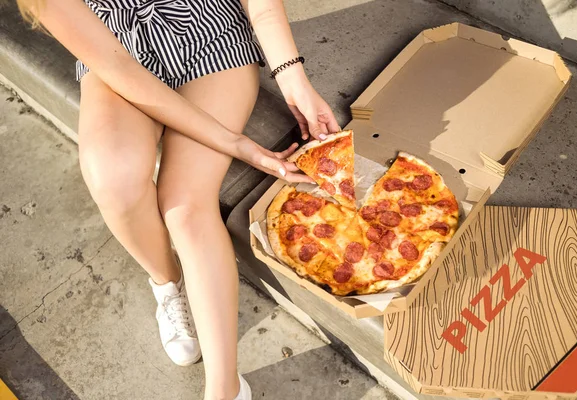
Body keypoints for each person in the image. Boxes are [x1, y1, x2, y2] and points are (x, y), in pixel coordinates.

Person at [16, 0, 340, 398]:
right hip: (113, 51)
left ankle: (225, 389)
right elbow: (119, 68)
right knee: (112, 177)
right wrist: (238, 145)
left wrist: (293, 80)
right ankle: (168, 283)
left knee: (185, 206)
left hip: (211, 36)